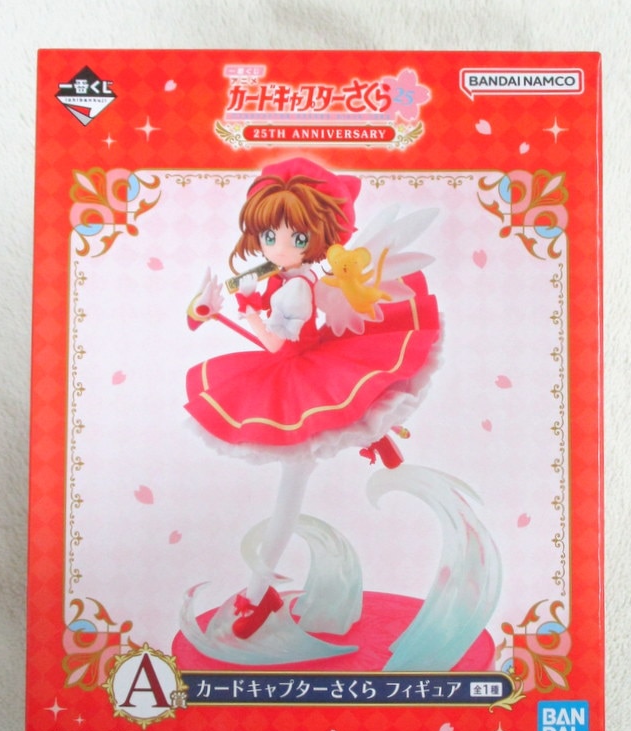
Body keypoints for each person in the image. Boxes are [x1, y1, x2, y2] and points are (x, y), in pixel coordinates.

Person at [185, 157, 441, 639]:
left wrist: (246, 312)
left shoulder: (298, 289)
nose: (280, 247)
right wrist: (232, 305)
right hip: (302, 367)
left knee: (289, 493)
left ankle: (257, 594)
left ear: (320, 238)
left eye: (297, 238)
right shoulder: (285, 278)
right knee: (309, 455)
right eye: (269, 236)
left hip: (296, 370)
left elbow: (276, 344)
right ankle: (376, 435)